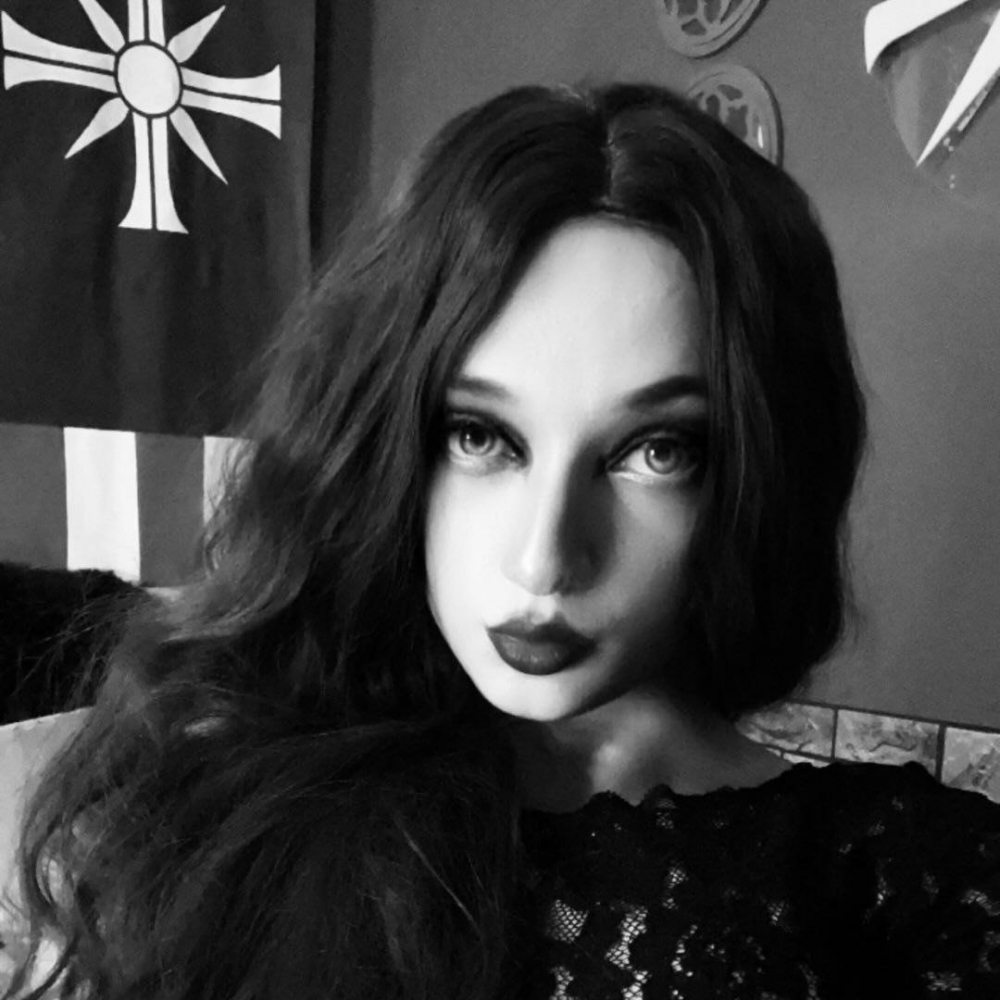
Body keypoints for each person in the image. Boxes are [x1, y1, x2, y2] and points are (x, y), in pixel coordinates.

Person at [4, 82, 1000, 1000]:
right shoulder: (214, 810)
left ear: (755, 475)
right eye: (479, 436)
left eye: (657, 451)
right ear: (383, 442)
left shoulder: (910, 884)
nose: (543, 558)